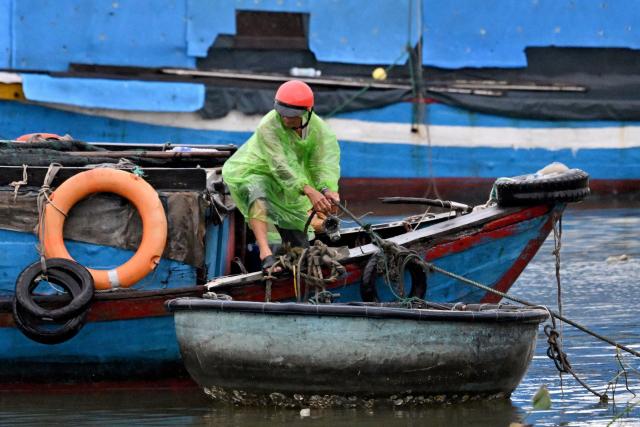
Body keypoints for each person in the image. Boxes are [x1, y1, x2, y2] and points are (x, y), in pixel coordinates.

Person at [222, 80, 341, 271]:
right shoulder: (268, 125)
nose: (285, 119)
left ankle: (297, 261)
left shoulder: (320, 131)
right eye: (282, 113)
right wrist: (309, 190)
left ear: (307, 111)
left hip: (292, 182)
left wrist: (327, 189)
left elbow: (323, 163)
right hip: (255, 170)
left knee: (299, 246)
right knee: (256, 189)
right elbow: (280, 166)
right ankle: (265, 253)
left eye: (292, 115)